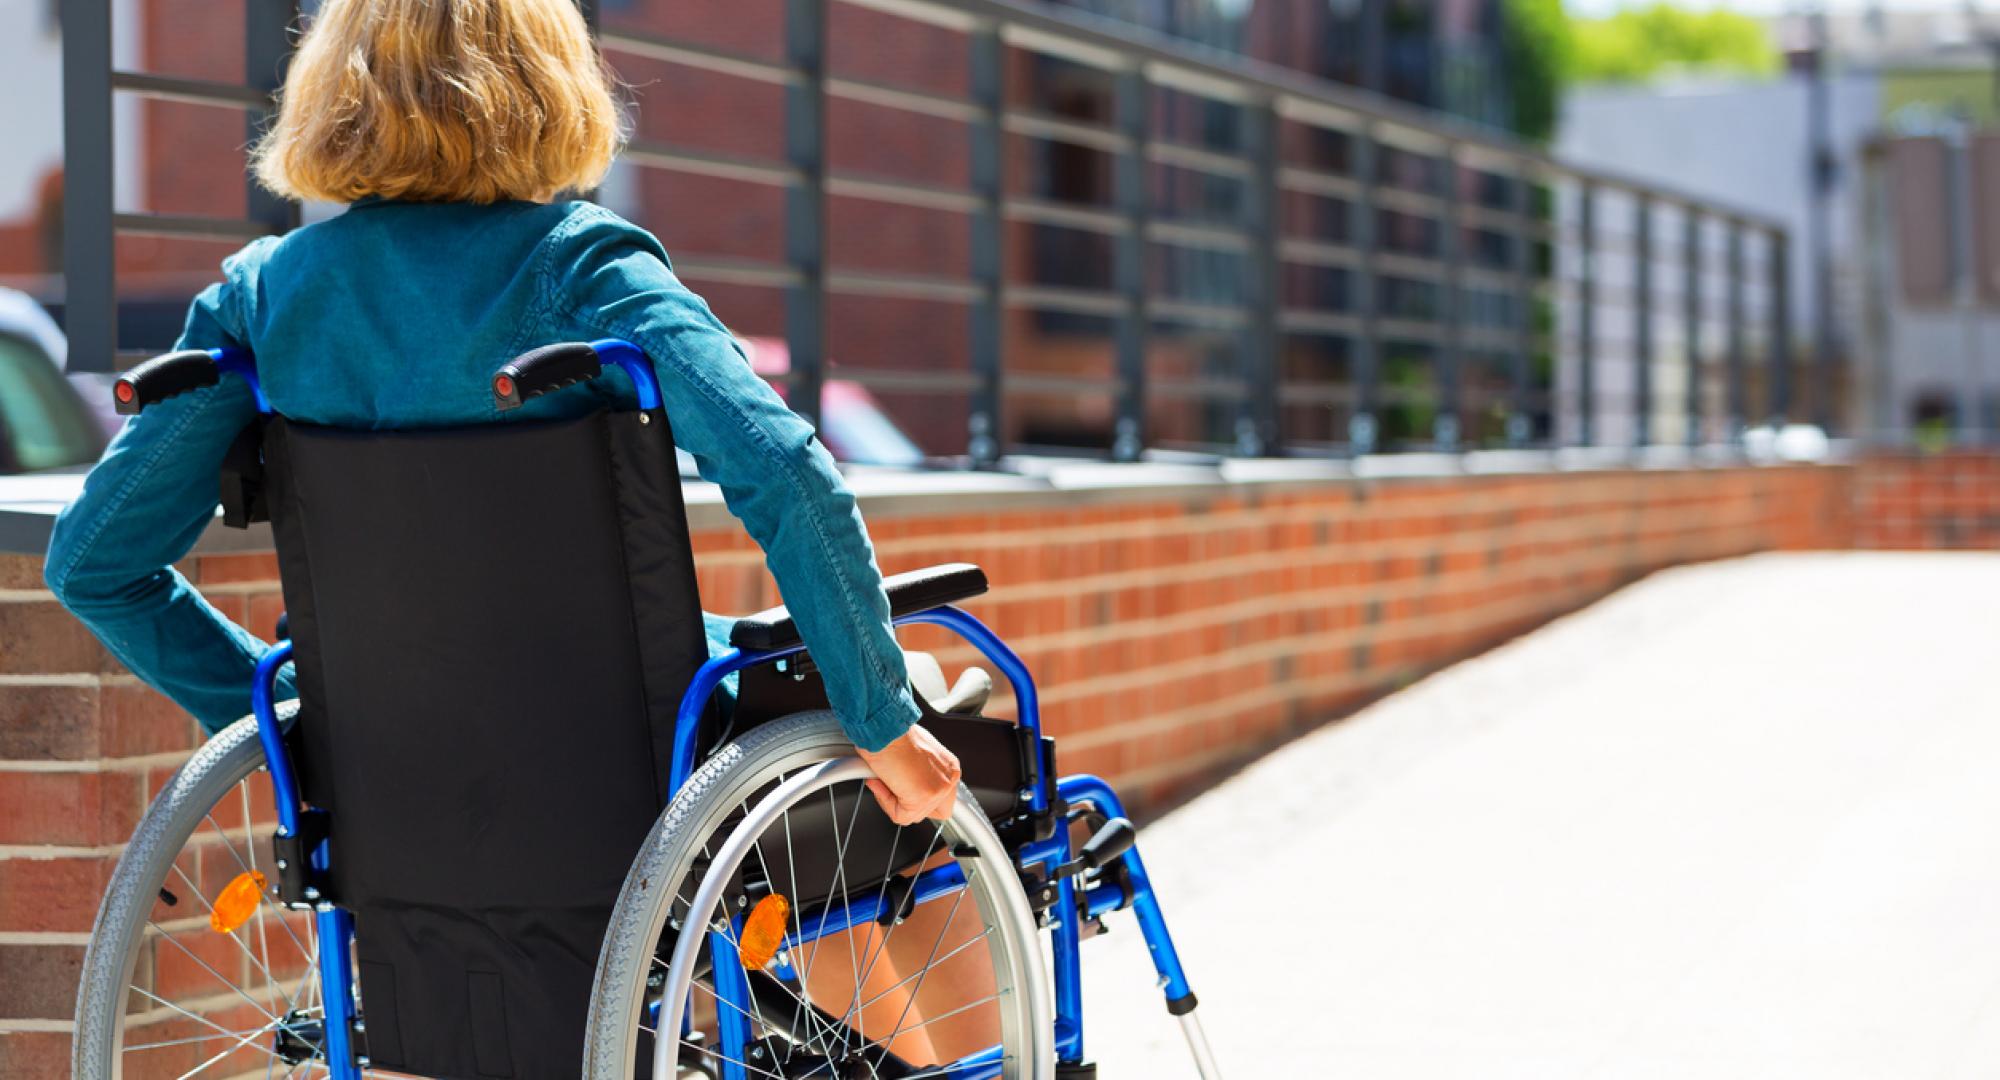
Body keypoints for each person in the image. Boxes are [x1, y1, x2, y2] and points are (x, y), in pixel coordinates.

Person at [41, 0, 960, 824]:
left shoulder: (265, 298)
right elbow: (786, 470)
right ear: (548, 85)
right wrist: (883, 721)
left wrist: (291, 725)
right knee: (922, 734)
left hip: (389, 764)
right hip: (627, 758)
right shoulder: (586, 269)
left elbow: (94, 561)